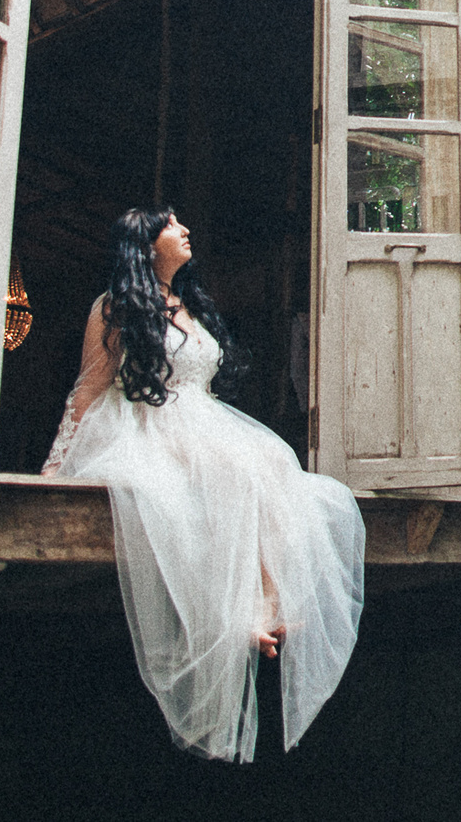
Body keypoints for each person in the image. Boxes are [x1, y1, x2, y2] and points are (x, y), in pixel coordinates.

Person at [41, 207, 364, 761]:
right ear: (144, 245)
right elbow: (90, 387)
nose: (185, 230)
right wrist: (55, 463)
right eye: (171, 225)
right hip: (146, 422)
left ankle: (265, 600)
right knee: (239, 469)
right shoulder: (114, 306)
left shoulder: (189, 305)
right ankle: (244, 610)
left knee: (281, 469)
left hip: (203, 419)